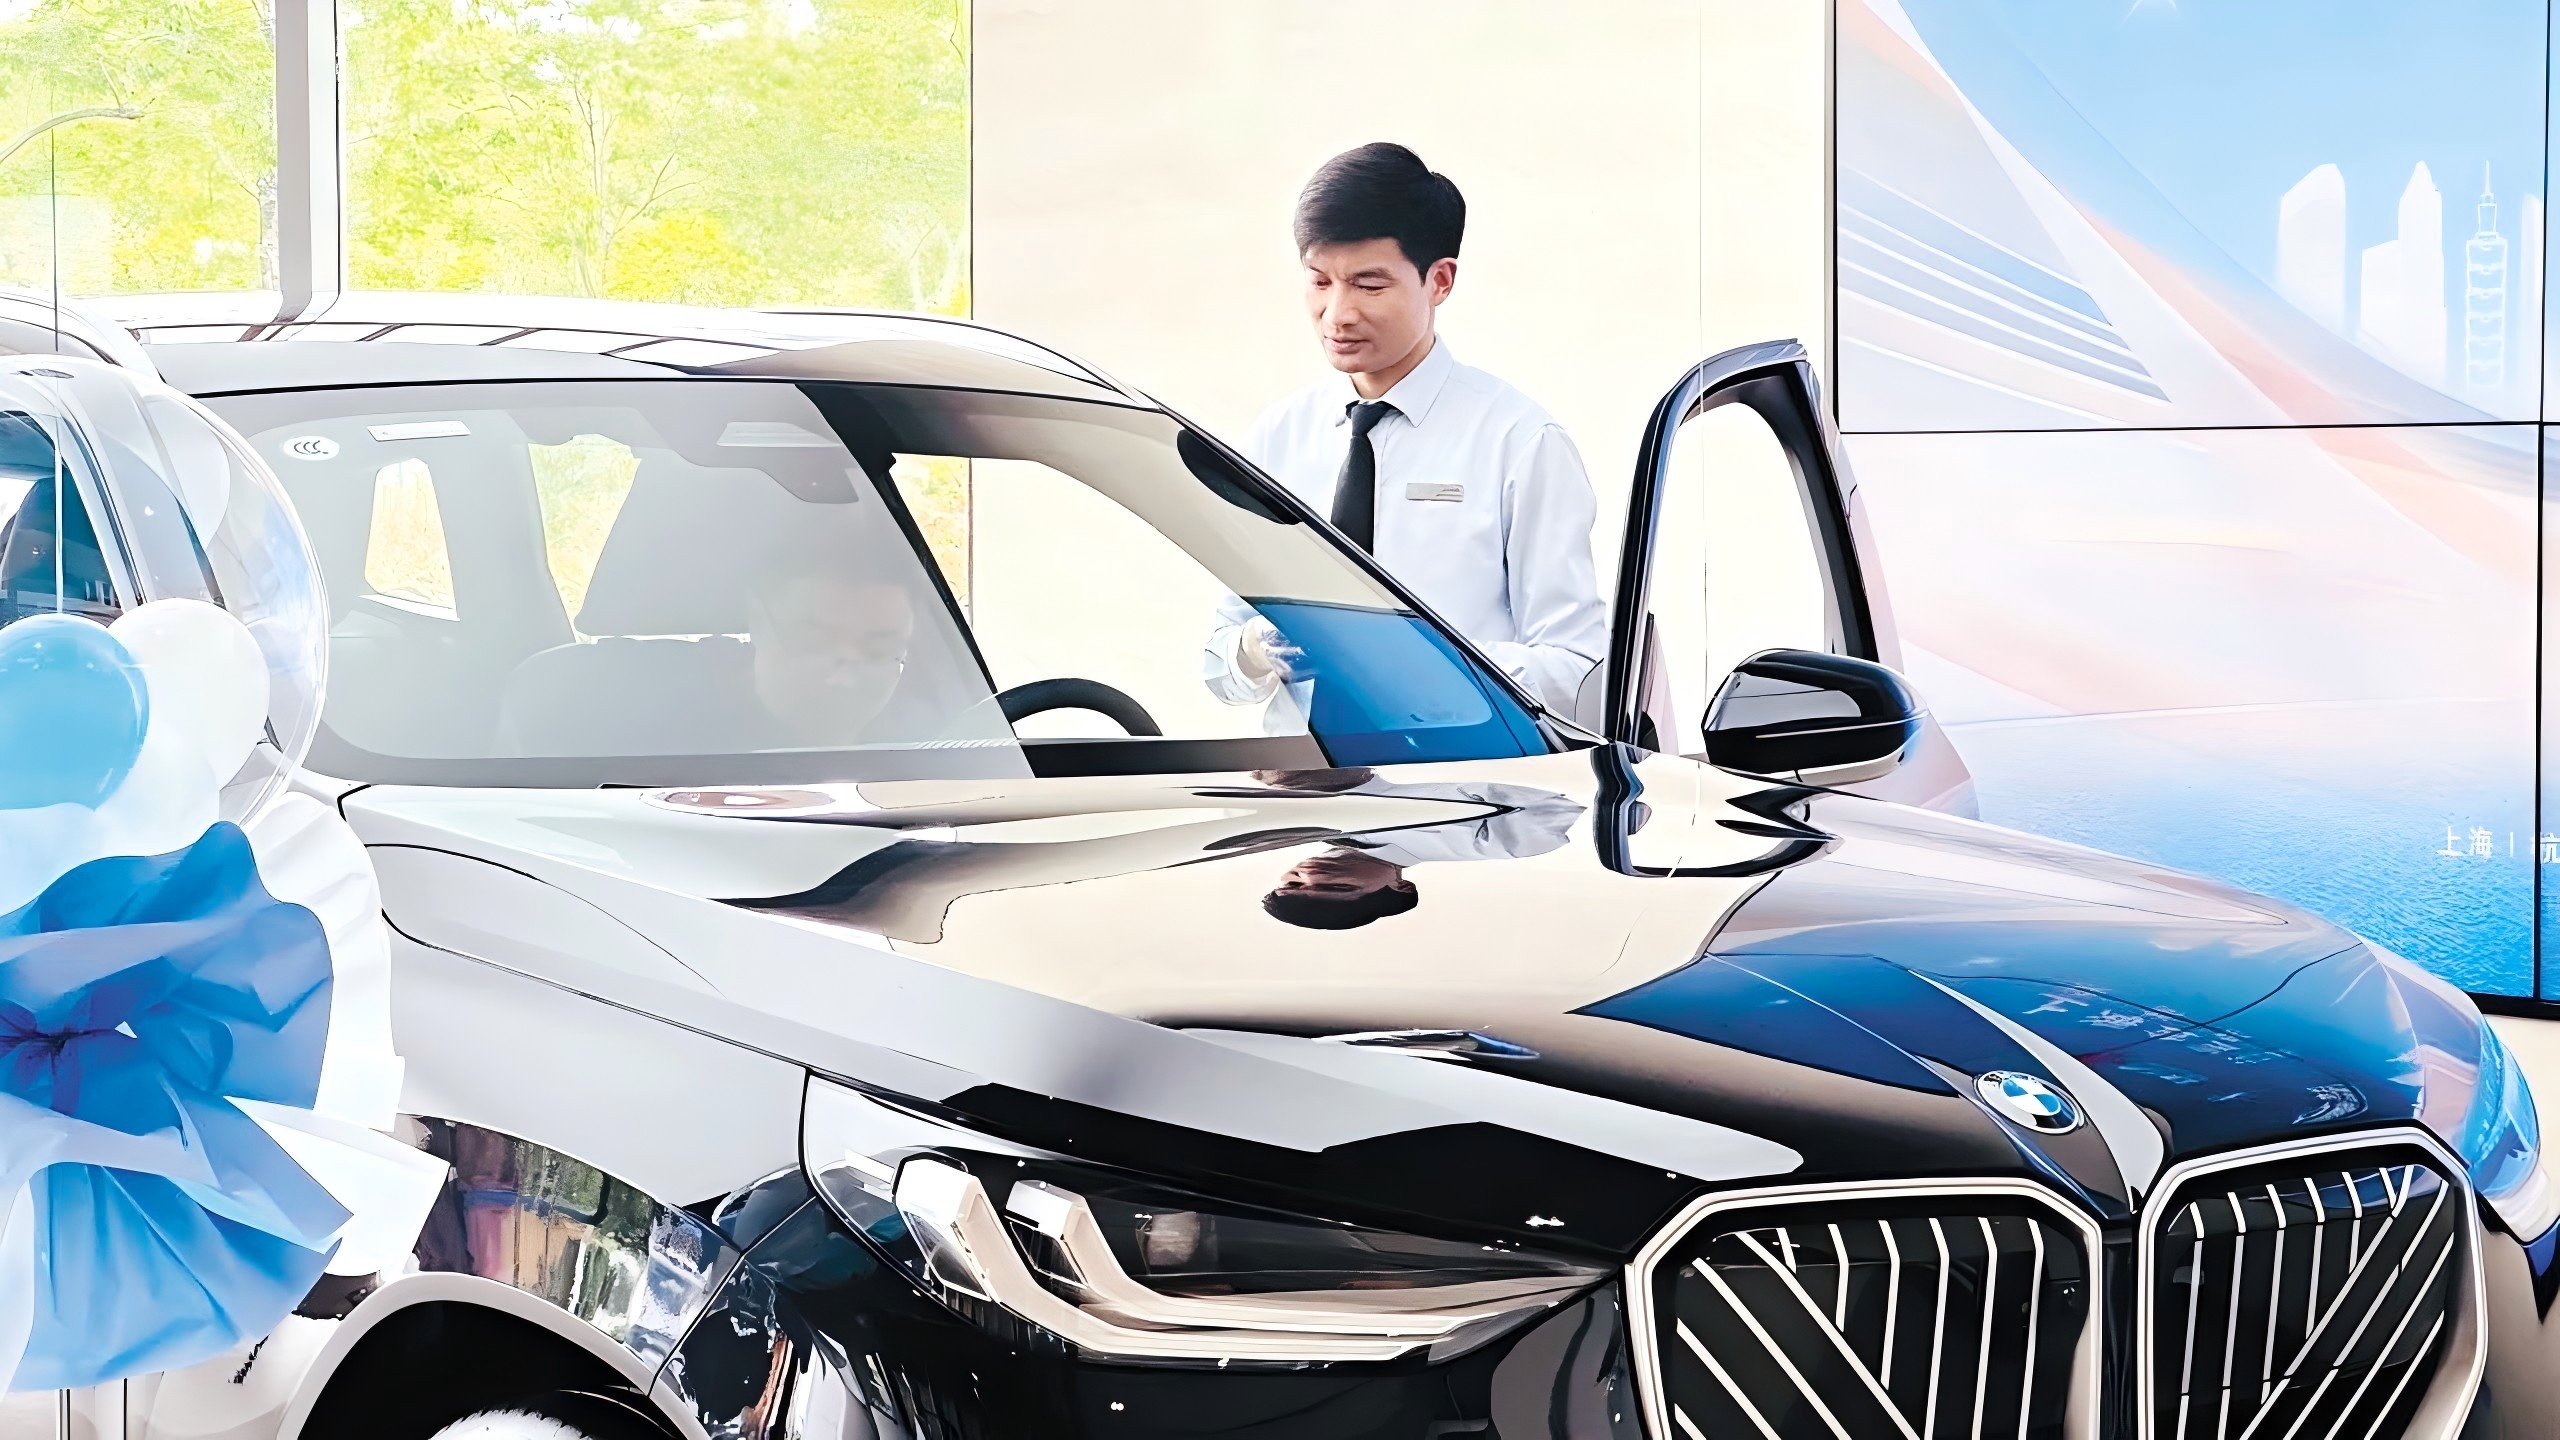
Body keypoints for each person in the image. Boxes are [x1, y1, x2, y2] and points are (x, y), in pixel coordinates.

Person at [1207, 143, 1609, 724]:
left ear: (1439, 281)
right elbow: (1221, 667)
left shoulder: (1521, 443)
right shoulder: (1279, 436)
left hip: (1458, 776)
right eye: (1319, 281)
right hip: (1299, 775)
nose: (1337, 313)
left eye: (1368, 285)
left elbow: (1578, 668)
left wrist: (1425, 668)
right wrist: (1252, 649)